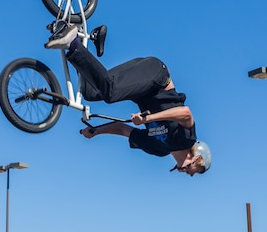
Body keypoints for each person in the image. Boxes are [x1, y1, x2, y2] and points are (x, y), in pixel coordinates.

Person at [45, 22, 212, 176]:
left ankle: (83, 37)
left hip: (139, 90)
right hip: (156, 76)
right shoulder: (186, 139)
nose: (190, 175)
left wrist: (97, 132)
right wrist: (149, 118)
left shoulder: (158, 149)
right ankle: (72, 41)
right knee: (110, 92)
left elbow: (123, 129)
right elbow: (185, 113)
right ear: (197, 158)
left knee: (91, 92)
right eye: (196, 171)